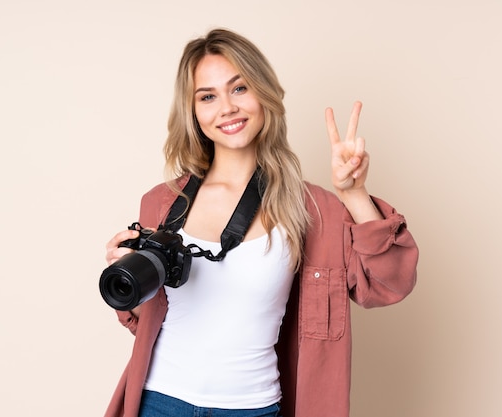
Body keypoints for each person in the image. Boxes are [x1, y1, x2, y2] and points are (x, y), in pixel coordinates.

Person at [102, 28, 418, 417]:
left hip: (250, 407)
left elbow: (390, 284)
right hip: (159, 400)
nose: (227, 108)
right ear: (194, 111)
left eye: (239, 88)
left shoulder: (314, 210)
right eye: (207, 96)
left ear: (263, 93)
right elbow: (143, 322)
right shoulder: (161, 203)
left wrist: (354, 194)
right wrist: (126, 273)